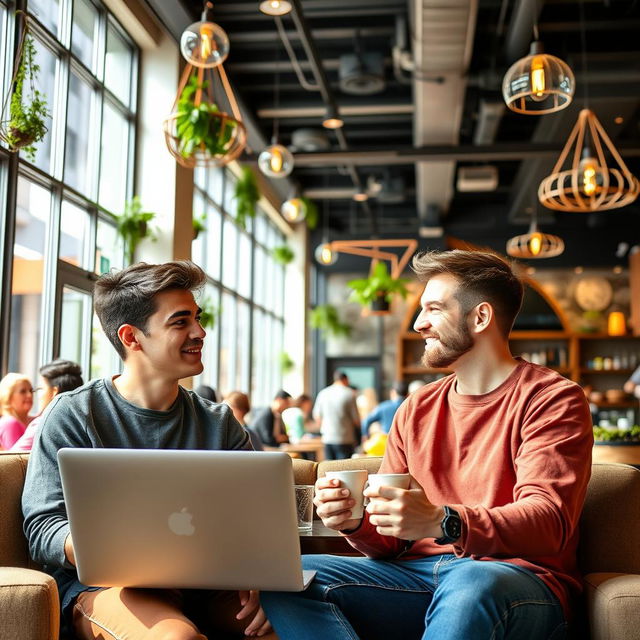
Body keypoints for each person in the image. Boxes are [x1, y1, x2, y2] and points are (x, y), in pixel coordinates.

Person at [261, 250, 593, 639]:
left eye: (433, 309)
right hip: (418, 578)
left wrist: (443, 520)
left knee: (472, 582)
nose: (419, 324)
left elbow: (548, 521)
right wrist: (355, 521)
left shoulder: (552, 398)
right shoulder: (416, 408)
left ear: (481, 317)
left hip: (514, 578)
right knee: (291, 577)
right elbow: (390, 541)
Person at [22, 261, 271, 640]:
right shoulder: (74, 413)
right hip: (107, 588)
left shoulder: (219, 421)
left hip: (210, 583)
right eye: (180, 322)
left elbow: (257, 518)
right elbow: (43, 529)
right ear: (131, 337)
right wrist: (113, 549)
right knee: (176, 638)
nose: (200, 332)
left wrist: (258, 572)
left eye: (197, 319)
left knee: (291, 624)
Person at [11, 359, 84, 452]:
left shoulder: (43, 423)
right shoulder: (84, 422)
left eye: (40, 389)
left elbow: (12, 459)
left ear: (54, 391)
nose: (34, 396)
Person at [313, 370, 361, 460]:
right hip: (345, 438)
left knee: (329, 468)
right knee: (343, 468)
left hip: (327, 437)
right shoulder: (349, 393)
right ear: (345, 379)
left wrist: (324, 428)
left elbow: (317, 416)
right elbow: (356, 420)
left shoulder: (323, 393)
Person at [0, 372, 34, 449]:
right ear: (8, 396)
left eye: (31, 391)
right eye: (23, 391)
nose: (29, 395)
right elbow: (16, 459)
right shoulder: (10, 423)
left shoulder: (33, 420)